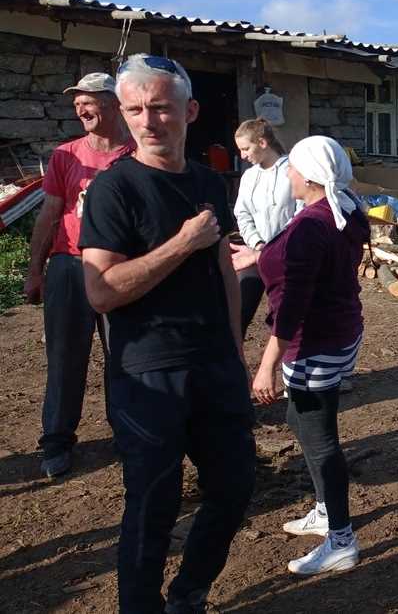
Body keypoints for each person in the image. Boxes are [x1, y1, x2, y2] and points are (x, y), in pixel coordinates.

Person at [78, 54, 255, 613]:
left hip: (214, 365)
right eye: (135, 110)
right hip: (147, 373)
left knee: (233, 488)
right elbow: (101, 291)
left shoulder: (208, 180)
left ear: (191, 110)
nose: (148, 121)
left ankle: (188, 594)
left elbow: (225, 267)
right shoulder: (115, 189)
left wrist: (234, 347)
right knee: (153, 504)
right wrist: (182, 243)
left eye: (160, 108)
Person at [251, 135, 368, 575]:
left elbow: (291, 306)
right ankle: (324, 511)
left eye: (292, 168)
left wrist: (266, 367)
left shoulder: (311, 226)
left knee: (320, 443)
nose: (288, 174)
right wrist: (261, 256)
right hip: (339, 332)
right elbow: (303, 267)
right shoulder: (343, 211)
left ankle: (341, 540)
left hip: (314, 343)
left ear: (308, 175)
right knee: (299, 420)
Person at [23, 72, 135, 478]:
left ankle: (126, 433)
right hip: (69, 266)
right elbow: (49, 214)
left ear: (113, 103)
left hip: (120, 267)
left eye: (88, 101)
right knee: (64, 357)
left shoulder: (137, 153)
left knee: (122, 354)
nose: (80, 110)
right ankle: (56, 440)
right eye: (76, 105)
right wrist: (36, 270)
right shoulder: (65, 156)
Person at [231, 117, 295, 337]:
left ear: (262, 143)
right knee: (237, 313)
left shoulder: (293, 171)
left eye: (246, 148)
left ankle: (285, 366)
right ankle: (236, 366)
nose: (242, 155)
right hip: (256, 252)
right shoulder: (249, 177)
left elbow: (301, 216)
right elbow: (242, 213)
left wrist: (273, 250)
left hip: (288, 257)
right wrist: (257, 243)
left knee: (282, 317)